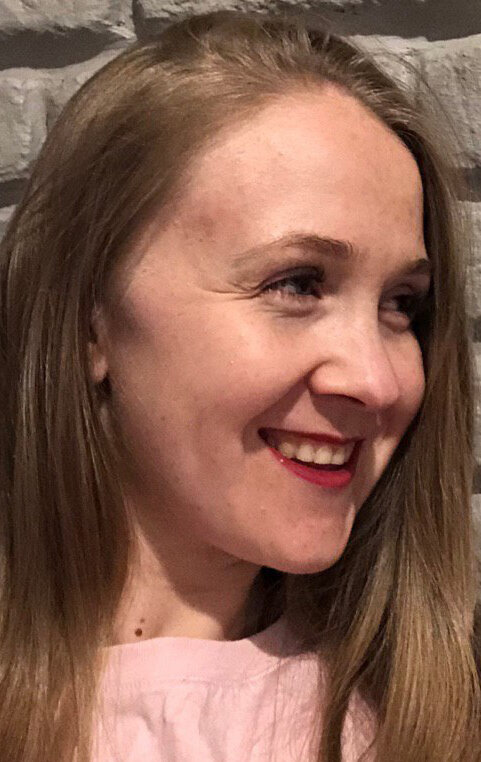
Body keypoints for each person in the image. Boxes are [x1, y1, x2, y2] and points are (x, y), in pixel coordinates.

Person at [0, 9, 480, 762]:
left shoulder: (427, 721)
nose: (378, 380)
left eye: (400, 305)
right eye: (296, 284)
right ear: (92, 322)